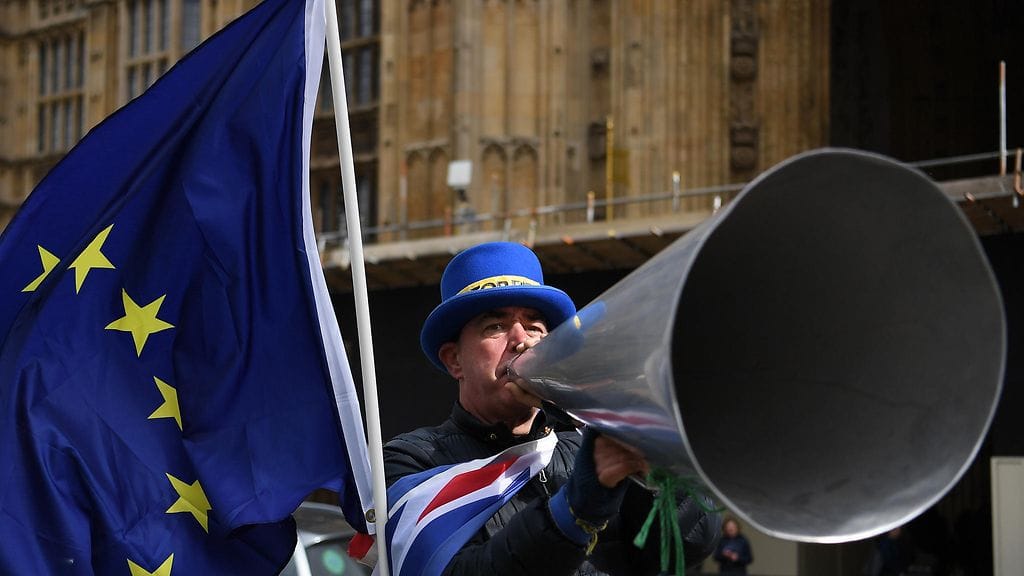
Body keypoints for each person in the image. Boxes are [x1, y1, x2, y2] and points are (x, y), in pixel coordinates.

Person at [383, 241, 721, 575]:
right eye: (495, 326)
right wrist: (574, 509)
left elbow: (689, 546)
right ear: (454, 360)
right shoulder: (414, 461)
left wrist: (655, 468)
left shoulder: (585, 443)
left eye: (534, 326)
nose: (521, 340)